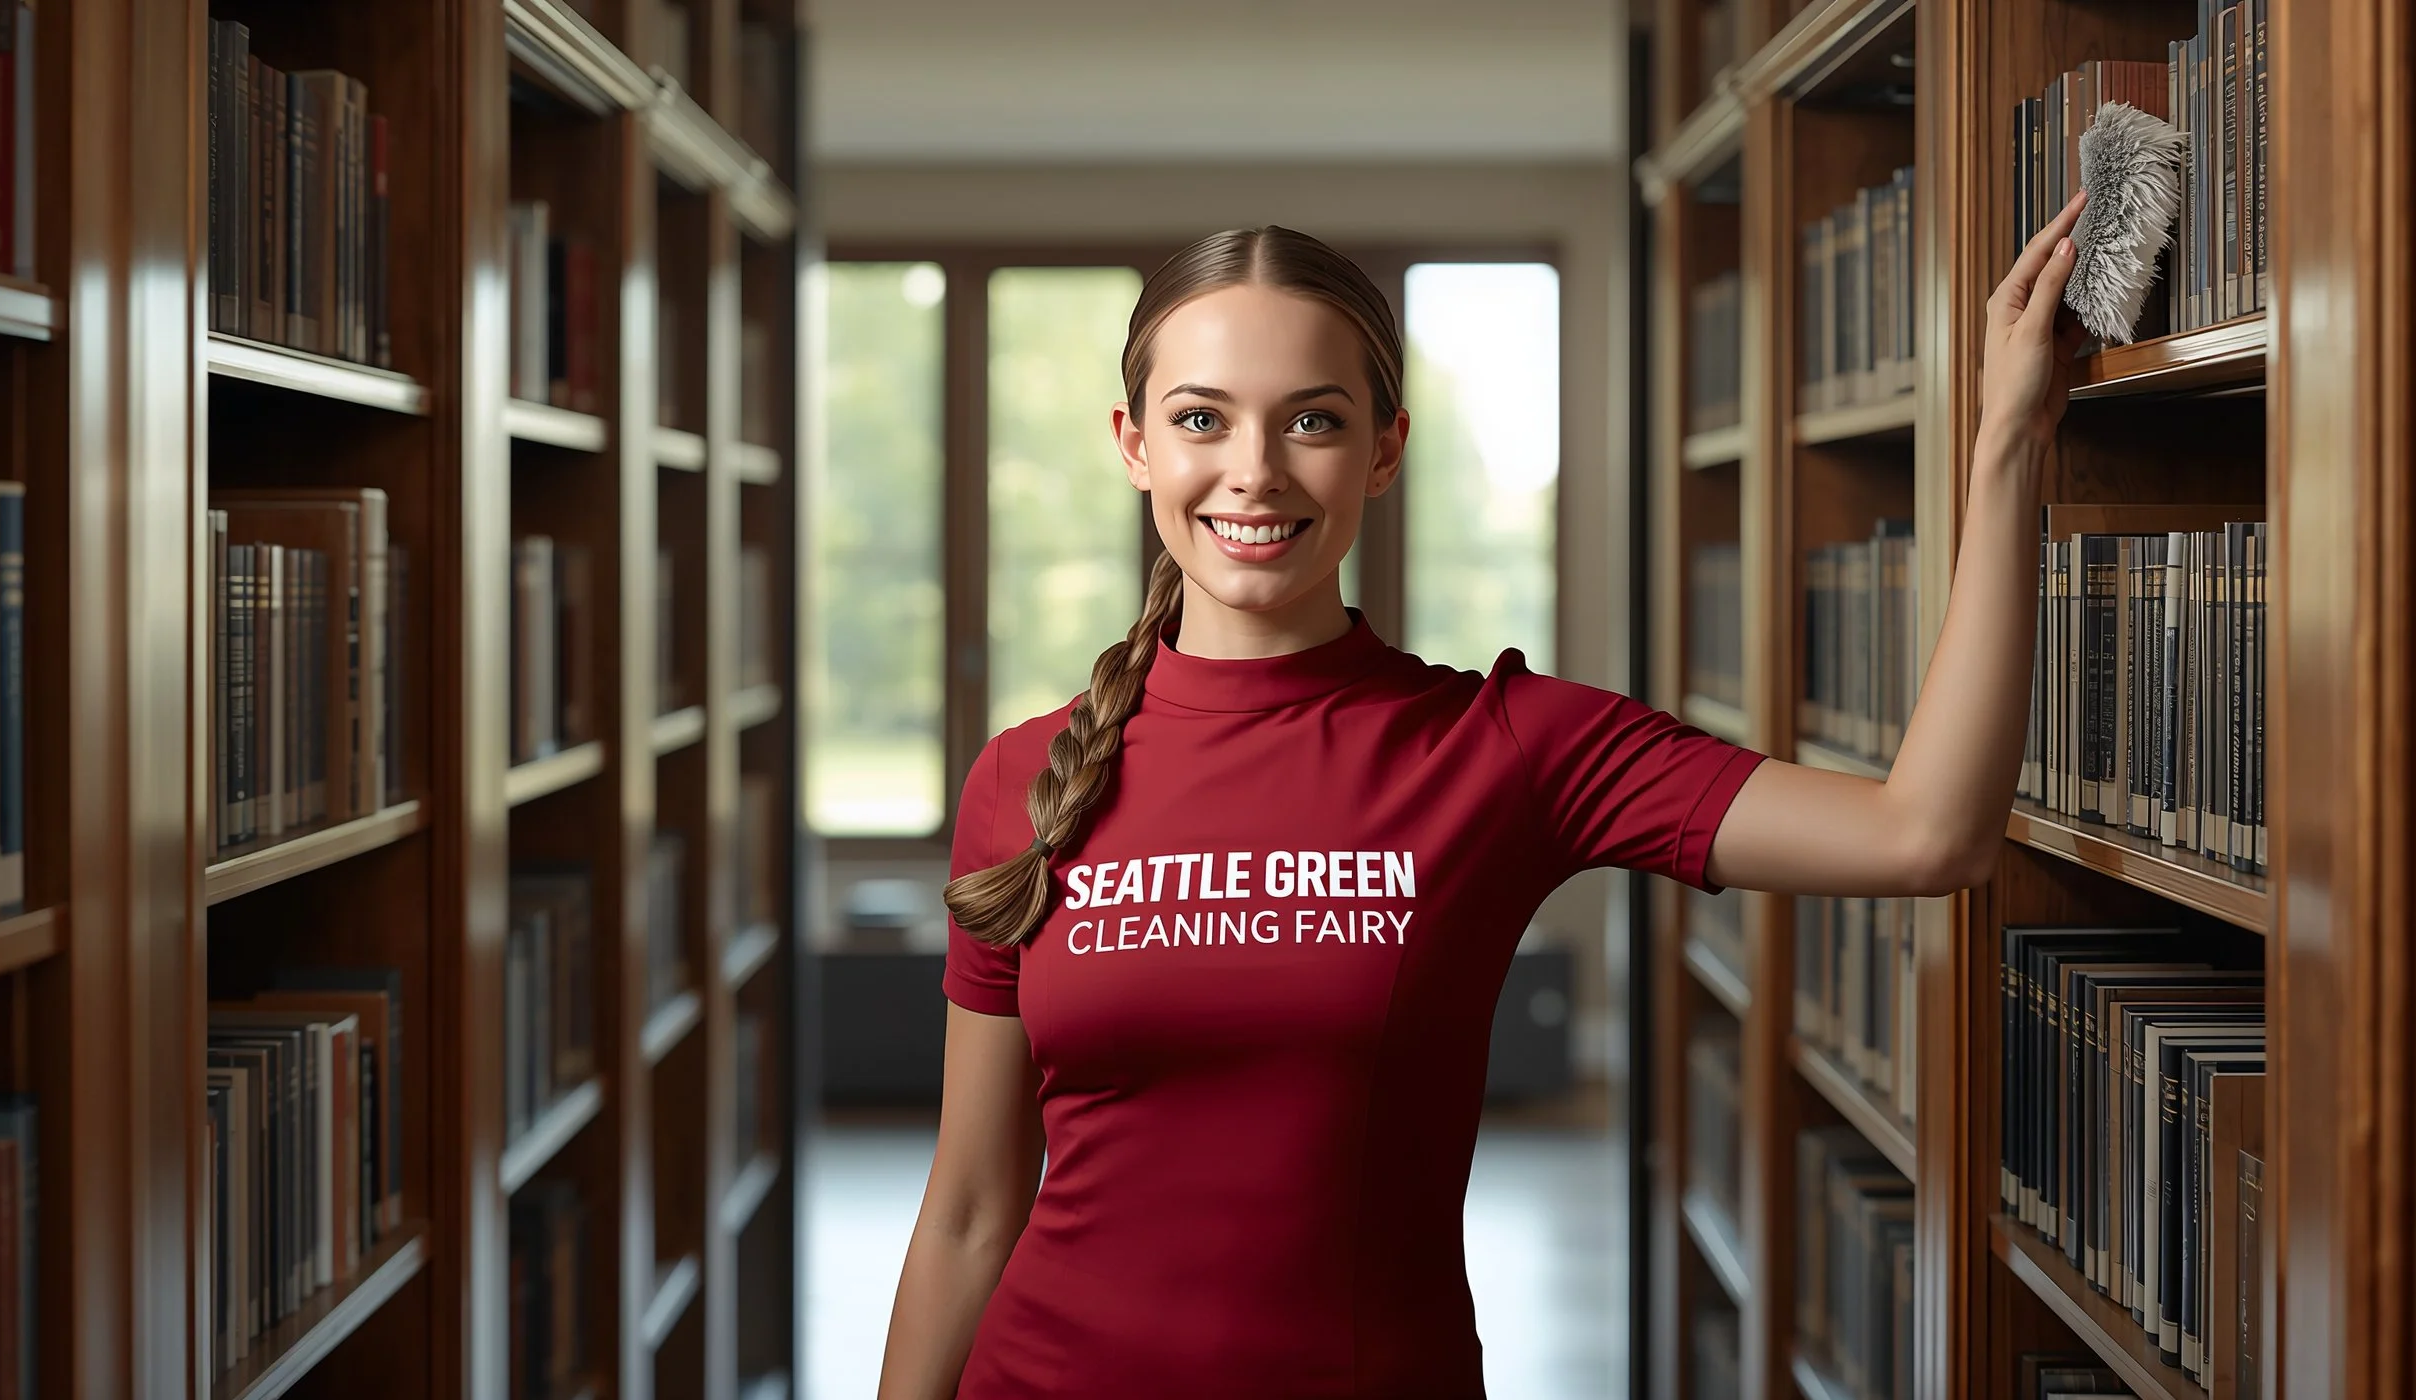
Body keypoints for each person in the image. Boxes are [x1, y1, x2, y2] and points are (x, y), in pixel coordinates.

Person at [877, 196, 2089, 1400]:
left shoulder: (1507, 747)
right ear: (1136, 441)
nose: (1252, 470)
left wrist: (2003, 452)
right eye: (1202, 418)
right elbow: (972, 1210)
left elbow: (1927, 833)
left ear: (1385, 448)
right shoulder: (1025, 778)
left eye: (1311, 419)